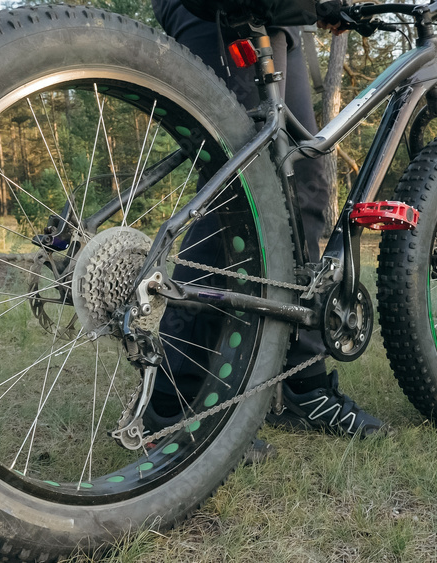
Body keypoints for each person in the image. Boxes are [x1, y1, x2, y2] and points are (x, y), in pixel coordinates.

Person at [147, 0, 384, 438]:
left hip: (282, 18)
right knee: (242, 184)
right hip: (218, 9)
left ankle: (302, 380)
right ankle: (176, 395)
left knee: (303, 176)